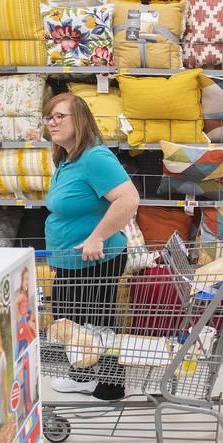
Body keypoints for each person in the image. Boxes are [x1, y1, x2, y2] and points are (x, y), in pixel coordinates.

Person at [42, 92, 139, 401]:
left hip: (95, 258)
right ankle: (84, 375)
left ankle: (109, 385)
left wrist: (97, 236)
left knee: (96, 322)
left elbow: (128, 199)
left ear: (80, 120)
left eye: (60, 116)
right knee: (73, 319)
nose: (52, 123)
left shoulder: (95, 157)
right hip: (71, 260)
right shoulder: (67, 158)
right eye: (49, 117)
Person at [15, 266, 37, 356]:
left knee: (33, 320)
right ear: (22, 282)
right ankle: (36, 339)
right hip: (23, 320)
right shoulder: (21, 296)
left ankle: (35, 339)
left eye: (29, 279)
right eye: (25, 279)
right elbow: (16, 304)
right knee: (31, 325)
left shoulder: (27, 296)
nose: (27, 282)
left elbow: (29, 309)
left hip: (27, 317)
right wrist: (19, 316)